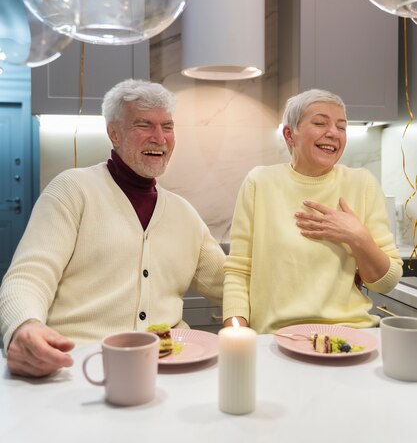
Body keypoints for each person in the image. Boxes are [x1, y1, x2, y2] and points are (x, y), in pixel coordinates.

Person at [0, 79, 225, 377]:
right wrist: (24, 326)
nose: (159, 138)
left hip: (168, 368)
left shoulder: (184, 214)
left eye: (167, 126)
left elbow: (231, 284)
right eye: (144, 125)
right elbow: (30, 275)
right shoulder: (72, 190)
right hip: (81, 365)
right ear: (114, 134)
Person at [223, 88, 403, 334]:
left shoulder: (362, 183)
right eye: (320, 123)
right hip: (276, 338)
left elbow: (387, 282)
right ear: (289, 134)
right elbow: (238, 270)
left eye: (341, 127)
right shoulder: (260, 182)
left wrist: (357, 236)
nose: (333, 133)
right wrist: (237, 332)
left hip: (351, 335)